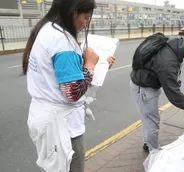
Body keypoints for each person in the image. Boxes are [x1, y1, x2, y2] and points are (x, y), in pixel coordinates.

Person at [22, 0, 115, 171]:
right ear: (73, 12)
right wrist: (90, 65)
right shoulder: (63, 42)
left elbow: (60, 73)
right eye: (86, 17)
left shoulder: (46, 29)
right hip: (62, 126)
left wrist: (97, 65)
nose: (86, 23)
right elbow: (73, 92)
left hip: (45, 117)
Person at [130, 32, 184, 152]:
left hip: (147, 84)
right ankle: (154, 153)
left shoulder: (176, 44)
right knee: (152, 122)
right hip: (144, 89)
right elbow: (174, 95)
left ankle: (148, 143)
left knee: (148, 118)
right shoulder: (168, 62)